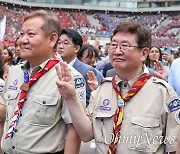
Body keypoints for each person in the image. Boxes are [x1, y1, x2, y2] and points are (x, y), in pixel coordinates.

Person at [55, 21, 179, 154]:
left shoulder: (163, 93)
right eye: (114, 45)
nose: (117, 51)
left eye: (124, 46)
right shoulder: (102, 89)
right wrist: (71, 98)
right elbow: (86, 135)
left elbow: (174, 147)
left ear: (144, 53)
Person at [0, 10, 86, 154]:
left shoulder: (67, 77)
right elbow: (5, 114)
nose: (23, 40)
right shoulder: (15, 72)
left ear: (52, 39)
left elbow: (74, 131)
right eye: (22, 34)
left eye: (31, 34)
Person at [57, 28, 103, 107]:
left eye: (65, 43)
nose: (60, 46)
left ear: (76, 48)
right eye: (59, 43)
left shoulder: (86, 71)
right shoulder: (53, 67)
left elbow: (88, 102)